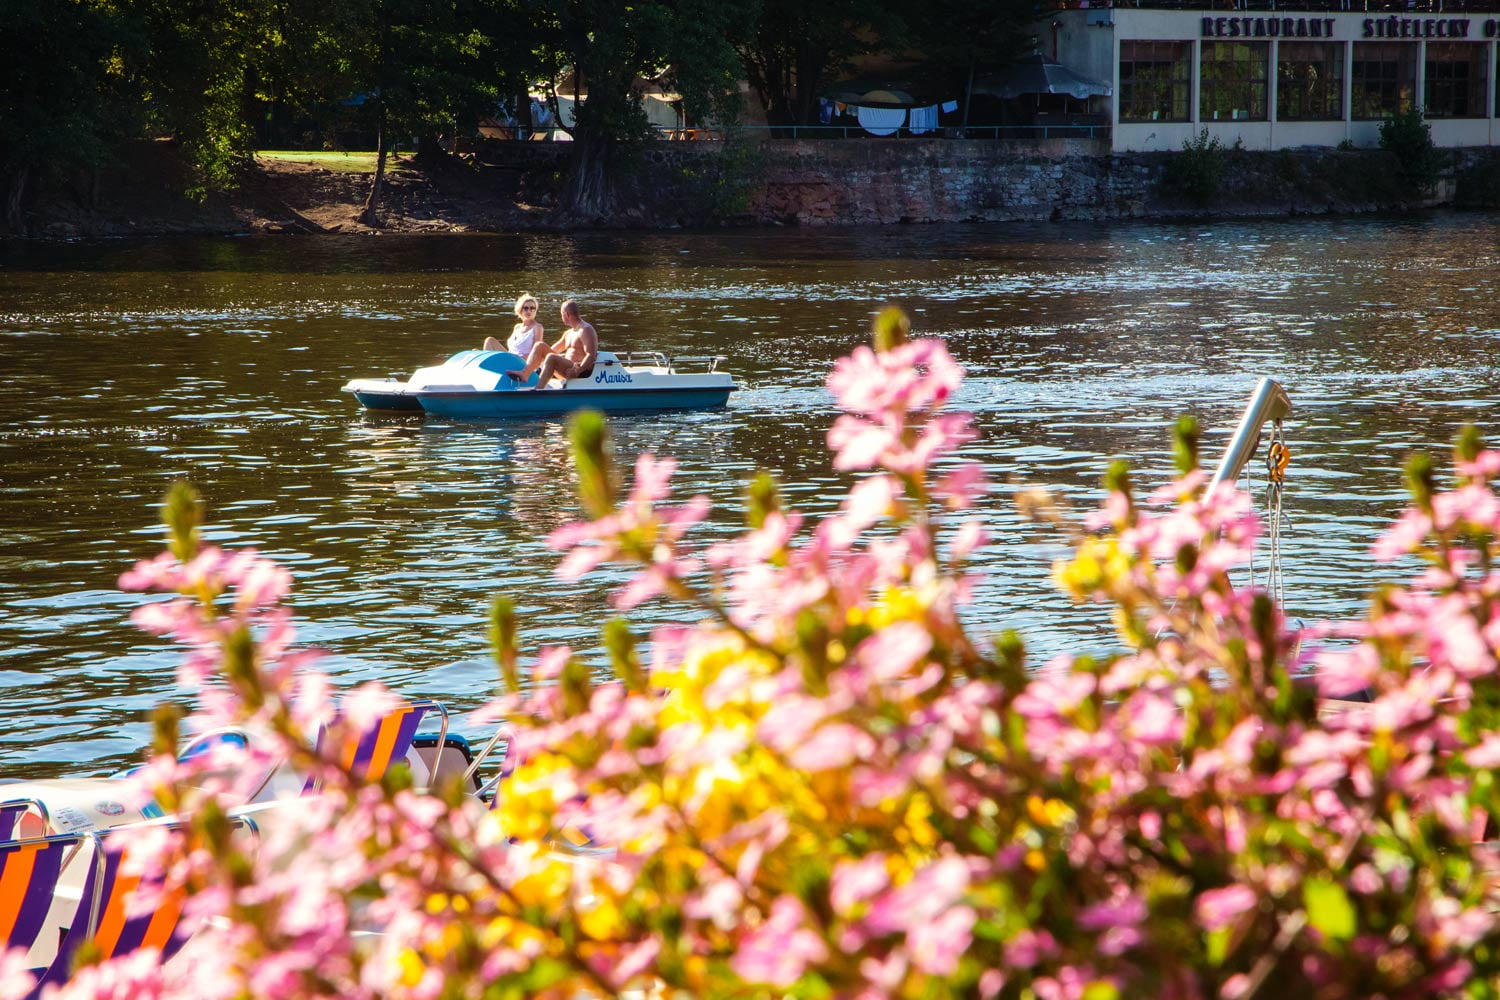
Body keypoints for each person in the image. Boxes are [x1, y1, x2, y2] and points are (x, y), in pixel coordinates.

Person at [506, 299, 599, 390]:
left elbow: (591, 355)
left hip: (579, 373)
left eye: (561, 314)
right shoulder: (569, 333)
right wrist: (535, 360)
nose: (561, 317)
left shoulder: (585, 330)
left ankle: (538, 390)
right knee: (540, 345)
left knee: (551, 357)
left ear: (566, 314)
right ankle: (525, 373)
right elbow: (551, 350)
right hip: (566, 371)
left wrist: (577, 370)